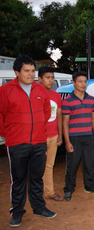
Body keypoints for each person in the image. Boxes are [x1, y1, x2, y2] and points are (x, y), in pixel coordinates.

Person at [0, 55, 56, 227]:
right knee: (18, 180)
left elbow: (46, 113)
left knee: (36, 178)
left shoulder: (40, 90)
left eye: (33, 71)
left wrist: (37, 130)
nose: (31, 74)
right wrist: (10, 134)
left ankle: (39, 207)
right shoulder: (5, 90)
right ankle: (17, 212)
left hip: (39, 142)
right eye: (26, 71)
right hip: (17, 143)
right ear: (16, 72)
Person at [62, 71, 94, 201]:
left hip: (89, 136)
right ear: (73, 83)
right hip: (74, 138)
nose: (83, 84)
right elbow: (65, 122)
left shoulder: (91, 99)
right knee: (72, 165)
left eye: (85, 81)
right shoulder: (67, 101)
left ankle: (90, 186)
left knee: (89, 163)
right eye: (80, 81)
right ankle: (69, 189)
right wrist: (67, 141)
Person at [38, 66, 63, 201]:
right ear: (40, 79)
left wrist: (59, 135)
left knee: (49, 165)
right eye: (47, 78)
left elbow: (58, 116)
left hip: (53, 136)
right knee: (36, 166)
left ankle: (49, 192)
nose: (51, 80)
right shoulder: (34, 95)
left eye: (52, 78)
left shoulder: (56, 96)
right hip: (38, 137)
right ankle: (35, 193)